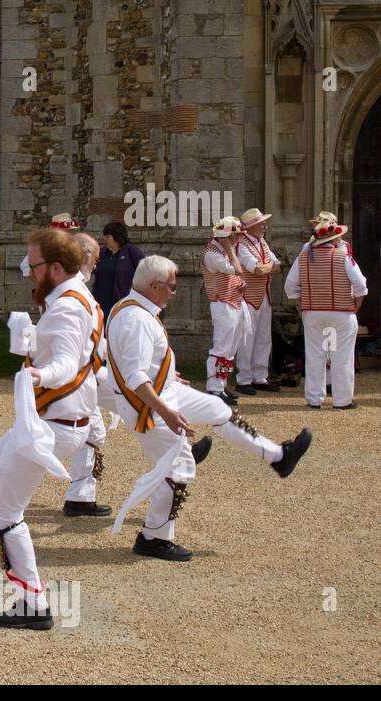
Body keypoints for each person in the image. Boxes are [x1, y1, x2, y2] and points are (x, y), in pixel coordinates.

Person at [0, 229, 101, 630]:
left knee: (8, 511)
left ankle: (33, 602)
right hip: (58, 420)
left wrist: (38, 373)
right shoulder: (79, 297)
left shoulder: (65, 308)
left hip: (50, 426)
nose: (27, 271)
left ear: (57, 267)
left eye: (34, 264)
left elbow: (65, 363)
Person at [104, 255, 312, 561]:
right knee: (178, 469)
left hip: (163, 390)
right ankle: (153, 537)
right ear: (154, 286)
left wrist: (165, 371)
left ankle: (277, 457)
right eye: (172, 288)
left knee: (218, 408)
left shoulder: (131, 308)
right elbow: (134, 376)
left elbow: (128, 360)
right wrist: (167, 412)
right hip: (148, 405)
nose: (175, 293)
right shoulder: (136, 319)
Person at [285, 215, 368, 409]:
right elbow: (361, 286)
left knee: (315, 355)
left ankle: (314, 399)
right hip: (341, 313)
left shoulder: (303, 256)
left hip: (313, 313)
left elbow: (290, 287)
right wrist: (355, 306)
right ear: (333, 239)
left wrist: (303, 303)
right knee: (342, 356)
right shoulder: (343, 256)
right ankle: (342, 400)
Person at [62, 230, 115, 517]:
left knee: (92, 431)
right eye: (95, 257)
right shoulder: (70, 289)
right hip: (79, 376)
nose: (97, 264)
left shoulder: (75, 285)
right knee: (65, 434)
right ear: (83, 257)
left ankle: (80, 497)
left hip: (89, 372)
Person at [201, 216, 248, 405]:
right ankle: (214, 388)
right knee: (221, 347)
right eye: (234, 236)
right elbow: (237, 269)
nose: (237, 239)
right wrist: (228, 246)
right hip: (222, 303)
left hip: (231, 301)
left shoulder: (220, 251)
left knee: (229, 348)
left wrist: (240, 284)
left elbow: (235, 276)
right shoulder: (212, 253)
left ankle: (221, 384)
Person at [234, 208, 281, 395]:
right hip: (247, 297)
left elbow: (278, 266)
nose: (265, 227)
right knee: (247, 339)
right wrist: (268, 267)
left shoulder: (262, 242)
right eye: (261, 224)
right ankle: (243, 379)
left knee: (263, 338)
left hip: (263, 295)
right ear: (251, 227)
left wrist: (267, 267)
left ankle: (260, 377)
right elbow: (257, 269)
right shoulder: (242, 244)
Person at [93, 221, 144, 314]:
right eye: (105, 236)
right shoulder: (103, 252)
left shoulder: (132, 251)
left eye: (108, 236)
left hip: (122, 304)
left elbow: (145, 272)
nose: (105, 239)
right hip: (101, 303)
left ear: (117, 236)